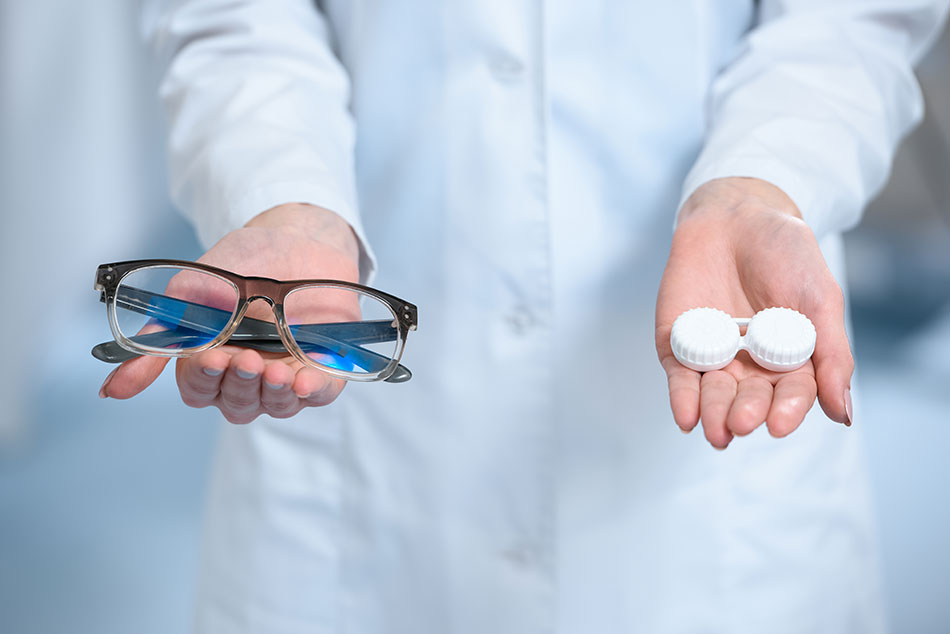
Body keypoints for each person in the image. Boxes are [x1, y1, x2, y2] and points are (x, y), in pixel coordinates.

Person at [102, 1, 947, 632]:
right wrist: (286, 195)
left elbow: (850, 23)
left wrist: (764, 181)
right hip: (352, 415)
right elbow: (233, 17)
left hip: (709, 456)